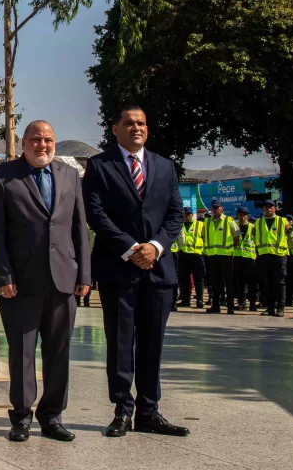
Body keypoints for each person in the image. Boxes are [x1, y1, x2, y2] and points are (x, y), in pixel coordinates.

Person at [82, 105, 189, 438]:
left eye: (141, 123)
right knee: (120, 343)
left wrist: (155, 247)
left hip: (159, 272)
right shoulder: (99, 166)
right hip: (119, 269)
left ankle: (149, 411)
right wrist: (131, 249)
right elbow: (95, 214)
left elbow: (175, 216)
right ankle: (122, 411)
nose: (136, 128)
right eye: (129, 123)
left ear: (148, 128)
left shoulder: (165, 167)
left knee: (152, 344)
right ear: (116, 129)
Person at [0, 120, 90, 443]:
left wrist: (84, 274)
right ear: (23, 142)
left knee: (59, 352)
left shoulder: (70, 175)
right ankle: (21, 417)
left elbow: (79, 227)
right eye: (35, 139)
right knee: (23, 353)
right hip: (20, 284)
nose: (42, 145)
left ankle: (52, 416)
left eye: (48, 140)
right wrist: (3, 275)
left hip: (63, 282)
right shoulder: (2, 176)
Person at [253, 200, 292, 317]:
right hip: (264, 256)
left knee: (280, 283)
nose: (268, 209)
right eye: (266, 207)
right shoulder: (258, 222)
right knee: (267, 283)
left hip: (279, 255)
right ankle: (269, 308)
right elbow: (253, 237)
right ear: (263, 209)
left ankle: (280, 308)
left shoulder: (283, 221)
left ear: (275, 209)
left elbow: (292, 237)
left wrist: (285, 248)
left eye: (271, 207)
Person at [202, 200, 239, 314]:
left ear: (222, 208)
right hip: (212, 256)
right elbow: (203, 237)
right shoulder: (207, 222)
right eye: (213, 208)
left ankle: (230, 306)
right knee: (215, 282)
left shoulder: (229, 220)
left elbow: (236, 236)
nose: (215, 210)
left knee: (228, 282)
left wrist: (230, 248)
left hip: (226, 256)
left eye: (217, 208)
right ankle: (216, 306)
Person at [176, 207, 206, 309]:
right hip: (183, 254)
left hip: (196, 254)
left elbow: (205, 238)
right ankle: (185, 300)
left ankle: (200, 300)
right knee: (184, 278)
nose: (187, 216)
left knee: (198, 278)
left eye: (188, 214)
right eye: (185, 214)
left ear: (192, 215)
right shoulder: (179, 225)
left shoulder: (200, 224)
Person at [232, 208, 258, 311]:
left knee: (252, 282)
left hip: (250, 257)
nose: (243, 217)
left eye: (245, 215)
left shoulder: (253, 227)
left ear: (247, 216)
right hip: (237, 257)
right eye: (240, 215)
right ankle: (242, 302)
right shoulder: (234, 226)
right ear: (237, 216)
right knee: (240, 282)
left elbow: (257, 240)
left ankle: (252, 303)